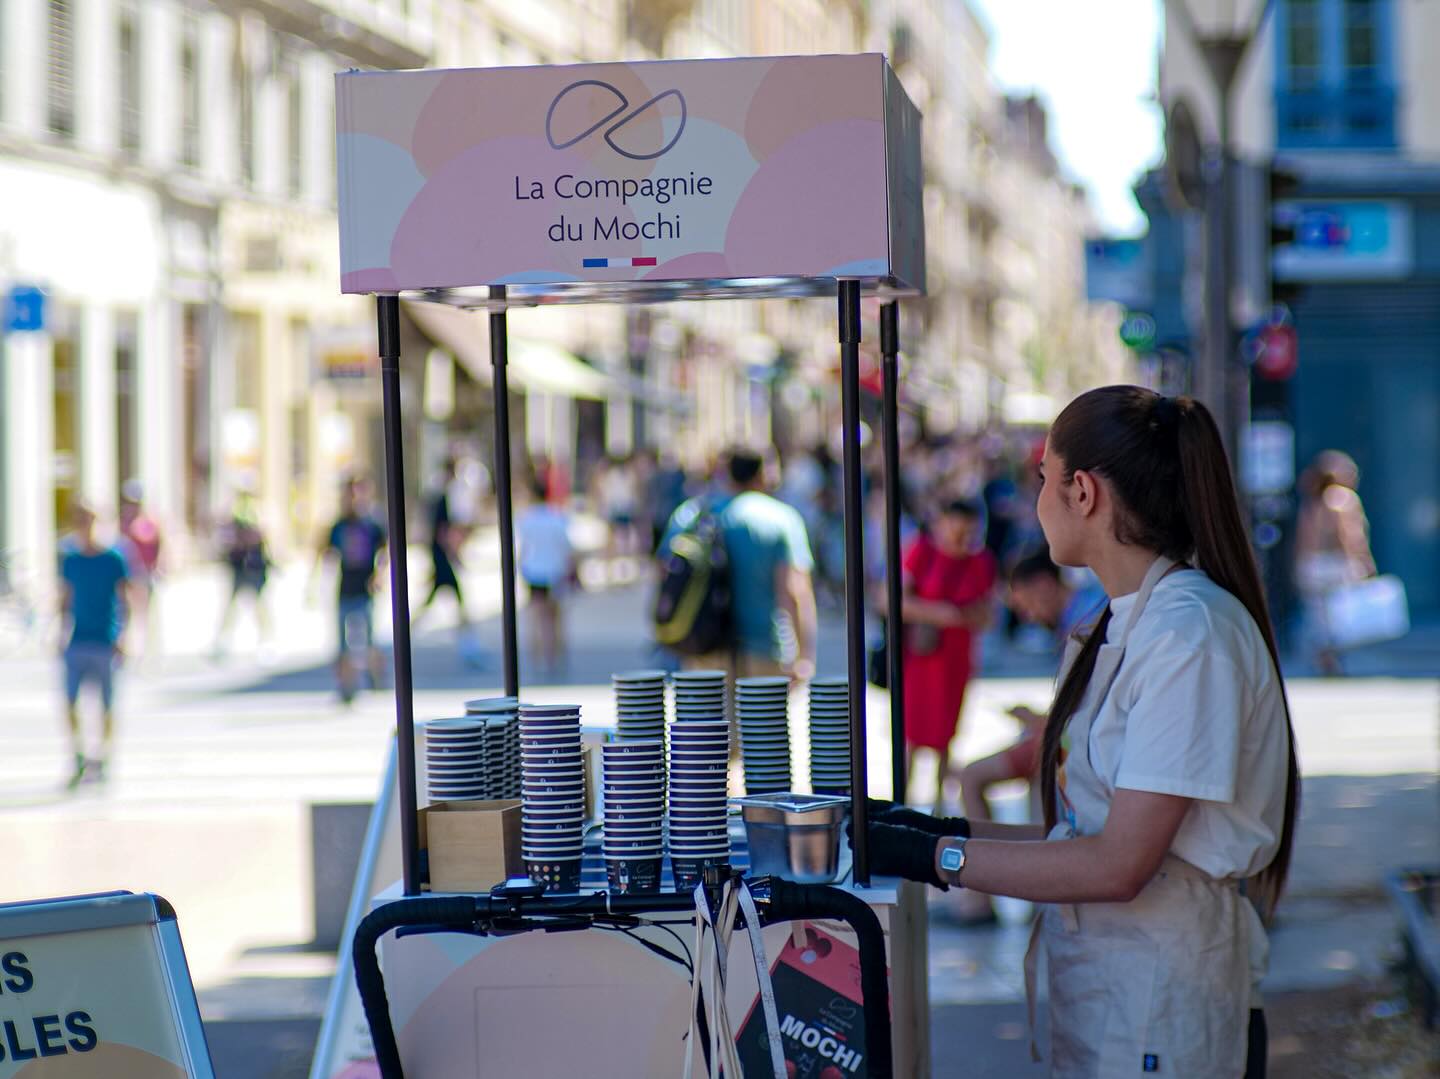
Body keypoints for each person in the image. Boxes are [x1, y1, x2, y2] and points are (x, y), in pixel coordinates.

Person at [854, 388, 1298, 1078]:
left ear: (1082, 491)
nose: (1035, 502)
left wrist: (935, 857)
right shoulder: (1121, 621)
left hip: (1163, 1001)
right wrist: (935, 831)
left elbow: (1119, 863)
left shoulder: (1188, 635)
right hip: (1111, 987)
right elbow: (1085, 836)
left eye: (1042, 480)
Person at [663, 447, 817, 685]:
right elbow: (794, 592)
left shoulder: (692, 514)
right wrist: (804, 656)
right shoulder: (782, 519)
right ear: (763, 474)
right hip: (766, 650)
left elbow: (665, 571)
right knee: (763, 722)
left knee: (710, 721)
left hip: (705, 649)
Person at [899, 498, 996, 807]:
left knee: (946, 734)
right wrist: (947, 614)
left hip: (955, 659)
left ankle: (940, 803)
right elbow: (896, 601)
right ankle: (903, 798)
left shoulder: (980, 560)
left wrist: (953, 616)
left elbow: (987, 615)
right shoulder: (922, 551)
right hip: (921, 656)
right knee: (911, 731)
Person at [57, 501, 131, 788]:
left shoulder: (114, 558)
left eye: (89, 520)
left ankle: (104, 756)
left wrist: (125, 635)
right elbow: (65, 596)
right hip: (78, 638)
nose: (85, 527)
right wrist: (59, 632)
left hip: (105, 638)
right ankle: (78, 754)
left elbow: (127, 598)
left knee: (106, 704)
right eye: (80, 520)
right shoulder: (71, 559)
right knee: (70, 702)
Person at [1293, 450, 1376, 675]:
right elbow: (1349, 535)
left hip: (1311, 566)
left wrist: (1300, 566)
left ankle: (1324, 658)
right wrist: (1363, 561)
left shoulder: (1312, 502)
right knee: (1340, 616)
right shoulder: (1343, 499)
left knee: (1319, 617)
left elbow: (1303, 538)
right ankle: (1333, 658)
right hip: (1336, 565)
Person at [320, 477, 388, 703]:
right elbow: (327, 553)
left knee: (369, 638)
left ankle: (375, 677)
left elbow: (385, 551)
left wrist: (380, 575)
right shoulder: (339, 525)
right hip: (345, 589)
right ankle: (346, 686)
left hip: (364, 588)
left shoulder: (371, 523)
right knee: (343, 643)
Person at [516, 474, 574, 673]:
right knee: (555, 618)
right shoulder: (557, 517)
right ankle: (554, 658)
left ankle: (536, 659)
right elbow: (567, 547)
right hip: (554, 571)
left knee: (536, 617)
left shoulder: (526, 519)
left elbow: (523, 548)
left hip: (534, 571)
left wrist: (520, 568)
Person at [213, 491, 271, 658]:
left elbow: (262, 535)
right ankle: (224, 640)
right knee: (232, 605)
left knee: (259, 604)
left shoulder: (257, 511)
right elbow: (227, 538)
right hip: (239, 565)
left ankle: (265, 639)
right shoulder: (235, 511)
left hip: (254, 565)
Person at [117, 480, 162, 662]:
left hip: (146, 573)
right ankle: (126, 647)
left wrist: (158, 567)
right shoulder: (124, 522)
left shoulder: (149, 521)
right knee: (126, 611)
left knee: (148, 613)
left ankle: (150, 651)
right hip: (129, 574)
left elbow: (160, 544)